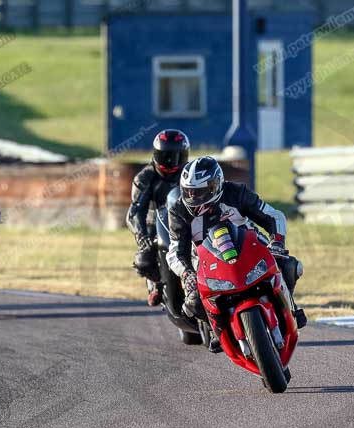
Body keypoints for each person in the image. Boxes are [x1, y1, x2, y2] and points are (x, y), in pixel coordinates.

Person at [167, 156, 306, 351]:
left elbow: (274, 216)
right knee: (193, 301)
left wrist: (277, 243)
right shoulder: (178, 211)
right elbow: (175, 251)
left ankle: (290, 308)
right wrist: (186, 273)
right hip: (204, 257)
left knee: (289, 266)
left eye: (199, 191)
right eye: (188, 191)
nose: (193, 197)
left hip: (249, 242)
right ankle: (215, 329)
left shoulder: (236, 193)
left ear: (215, 186)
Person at [127, 129, 190, 306]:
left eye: (175, 157)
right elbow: (135, 212)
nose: (170, 161)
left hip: (185, 222)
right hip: (155, 226)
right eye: (165, 156)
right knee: (143, 260)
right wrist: (142, 238)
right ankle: (157, 284)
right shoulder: (145, 177)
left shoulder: (189, 174)